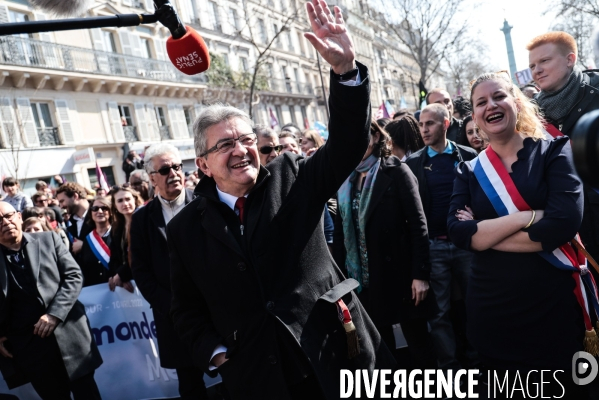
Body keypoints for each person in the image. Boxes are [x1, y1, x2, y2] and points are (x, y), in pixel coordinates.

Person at [168, 2, 396, 398]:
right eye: (225, 144)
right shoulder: (184, 228)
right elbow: (186, 309)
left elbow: (346, 145)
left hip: (337, 354)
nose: (240, 150)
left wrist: (345, 72)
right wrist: (219, 353)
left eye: (246, 139)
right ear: (203, 165)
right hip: (258, 375)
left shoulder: (291, 176)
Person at [448, 70, 590, 397]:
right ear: (475, 115)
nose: (491, 105)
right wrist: (527, 216)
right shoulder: (468, 170)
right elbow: (458, 232)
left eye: (499, 96)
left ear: (516, 102)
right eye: (481, 102)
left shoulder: (555, 152)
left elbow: (563, 224)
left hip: (551, 306)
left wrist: (484, 235)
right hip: (492, 311)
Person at [333, 120, 436, 370]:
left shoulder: (395, 171)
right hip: (364, 280)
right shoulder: (344, 178)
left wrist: (420, 275)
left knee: (417, 346)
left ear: (377, 137)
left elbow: (418, 225)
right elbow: (340, 234)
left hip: (401, 275)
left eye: (362, 135)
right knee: (380, 348)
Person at [0, 202, 102, 399]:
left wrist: (54, 314)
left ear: (19, 217)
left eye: (9, 216)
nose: (5, 222)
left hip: (70, 336)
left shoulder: (48, 239)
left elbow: (73, 276)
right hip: (30, 349)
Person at [130, 143, 207, 399]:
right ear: (152, 178)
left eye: (177, 166)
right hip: (174, 318)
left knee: (236, 378)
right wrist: (172, 307)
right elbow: (141, 271)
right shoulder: (142, 219)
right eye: (165, 169)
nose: (174, 172)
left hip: (218, 309)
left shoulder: (206, 202)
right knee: (190, 385)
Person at [405, 103, 478, 372]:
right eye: (421, 125)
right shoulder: (413, 163)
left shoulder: (468, 155)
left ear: (445, 124)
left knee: (475, 307)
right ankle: (451, 369)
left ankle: (478, 363)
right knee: (439, 314)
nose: (424, 129)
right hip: (433, 246)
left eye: (430, 124)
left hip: (467, 244)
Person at [528, 31, 599, 268]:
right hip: (568, 231)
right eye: (532, 65)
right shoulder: (528, 119)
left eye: (544, 61)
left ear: (570, 59)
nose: (536, 70)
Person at [108, 185, 143, 292]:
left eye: (128, 199)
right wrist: (116, 275)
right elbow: (114, 256)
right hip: (126, 280)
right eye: (120, 201)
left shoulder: (144, 221)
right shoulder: (116, 227)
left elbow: (141, 254)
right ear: (115, 205)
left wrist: (122, 274)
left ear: (135, 200)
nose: (125, 204)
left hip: (144, 276)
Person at [79, 196, 116, 287]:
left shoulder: (118, 233)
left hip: (118, 287)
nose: (99, 211)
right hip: (96, 290)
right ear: (90, 213)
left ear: (111, 212)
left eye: (104, 208)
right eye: (95, 208)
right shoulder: (88, 239)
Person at [56, 183, 92, 262]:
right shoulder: (71, 222)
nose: (61, 206)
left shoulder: (99, 214)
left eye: (62, 201)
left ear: (75, 196)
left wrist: (84, 245)